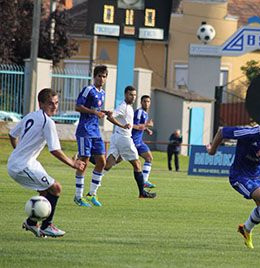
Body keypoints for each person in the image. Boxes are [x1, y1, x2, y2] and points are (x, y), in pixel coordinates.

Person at [7, 88, 85, 238]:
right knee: (56, 188)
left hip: (25, 162)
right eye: (50, 103)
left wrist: (18, 152)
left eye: (56, 103)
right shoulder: (47, 122)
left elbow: (12, 134)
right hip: (21, 166)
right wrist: (73, 163)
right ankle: (47, 226)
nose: (55, 106)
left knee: (44, 191)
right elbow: (54, 150)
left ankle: (31, 222)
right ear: (41, 103)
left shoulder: (31, 116)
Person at [206, 112, 260, 249]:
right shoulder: (248, 133)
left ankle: (245, 229)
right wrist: (212, 151)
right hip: (240, 176)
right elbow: (222, 132)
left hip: (258, 176)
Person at [104, 86, 156, 198]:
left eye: (134, 95)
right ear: (125, 94)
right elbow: (111, 117)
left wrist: (146, 128)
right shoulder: (125, 107)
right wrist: (145, 125)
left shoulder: (129, 108)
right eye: (130, 95)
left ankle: (92, 189)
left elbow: (130, 123)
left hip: (117, 137)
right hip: (125, 138)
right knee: (138, 164)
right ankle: (142, 192)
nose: (133, 97)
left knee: (108, 165)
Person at [74, 65, 109, 207]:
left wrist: (105, 112)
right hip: (85, 130)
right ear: (94, 77)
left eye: (104, 76)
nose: (101, 79)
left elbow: (97, 110)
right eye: (99, 76)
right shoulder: (88, 90)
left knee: (102, 162)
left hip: (95, 130)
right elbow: (77, 106)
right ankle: (78, 196)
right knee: (84, 161)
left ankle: (92, 194)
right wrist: (95, 113)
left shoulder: (103, 93)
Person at [132, 95, 156, 188]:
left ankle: (145, 181)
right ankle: (101, 170)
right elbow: (134, 125)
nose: (146, 103)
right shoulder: (139, 112)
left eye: (148, 102)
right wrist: (147, 125)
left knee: (149, 158)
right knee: (114, 162)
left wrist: (146, 129)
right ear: (141, 103)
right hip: (132, 142)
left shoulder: (145, 114)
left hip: (139, 141)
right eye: (144, 101)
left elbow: (141, 126)